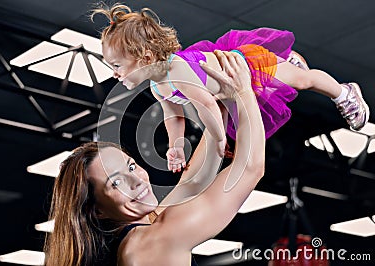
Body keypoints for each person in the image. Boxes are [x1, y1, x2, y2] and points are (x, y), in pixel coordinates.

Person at [43, 50, 265, 266]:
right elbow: (250, 168)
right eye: (116, 182)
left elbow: (193, 183)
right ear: (97, 211)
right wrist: (242, 91)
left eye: (131, 167)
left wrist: (220, 107)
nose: (137, 180)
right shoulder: (154, 241)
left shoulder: (139, 233)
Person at [93, 3, 370, 173]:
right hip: (231, 89)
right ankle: (287, 64)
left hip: (248, 66)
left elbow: (208, 107)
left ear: (145, 58)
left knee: (303, 81)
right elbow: (174, 115)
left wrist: (218, 141)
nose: (114, 73)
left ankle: (343, 92)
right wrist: (176, 145)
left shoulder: (178, 72)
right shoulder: (157, 86)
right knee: (249, 117)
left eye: (117, 65)